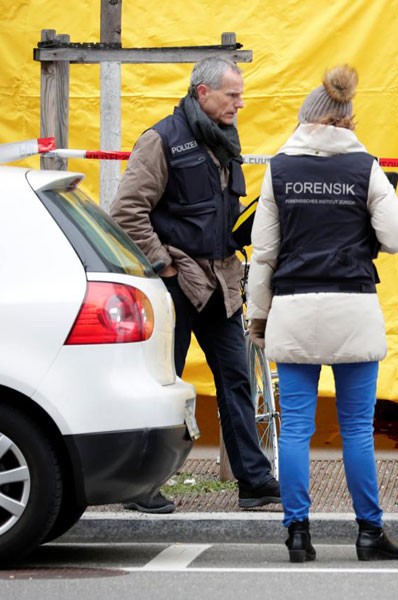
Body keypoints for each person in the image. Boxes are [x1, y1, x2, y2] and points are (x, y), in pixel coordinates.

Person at [247, 64, 398, 562]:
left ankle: (297, 533)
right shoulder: (366, 169)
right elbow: (397, 238)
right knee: (357, 428)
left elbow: (264, 253)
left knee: (296, 428)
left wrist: (258, 317)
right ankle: (368, 533)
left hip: (294, 308)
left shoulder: (279, 169)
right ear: (347, 121)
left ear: (306, 120)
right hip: (352, 306)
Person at [110, 56, 280, 513]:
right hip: (177, 284)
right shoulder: (160, 140)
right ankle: (142, 487)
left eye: (241, 95)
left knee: (237, 382)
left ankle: (254, 482)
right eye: (232, 95)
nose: (240, 104)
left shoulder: (223, 138)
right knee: (164, 385)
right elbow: (125, 213)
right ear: (202, 93)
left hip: (220, 282)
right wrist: (164, 266)